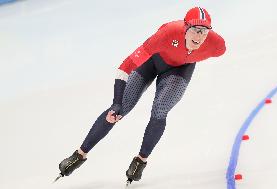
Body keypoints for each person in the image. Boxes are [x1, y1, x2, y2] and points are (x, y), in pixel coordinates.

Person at [57, 6, 226, 184]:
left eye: (204, 31)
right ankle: (79, 155)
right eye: (195, 30)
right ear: (185, 28)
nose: (199, 37)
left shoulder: (217, 46)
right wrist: (116, 102)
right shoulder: (167, 33)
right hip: (153, 61)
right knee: (120, 109)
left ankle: (140, 161)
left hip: (180, 70)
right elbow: (125, 67)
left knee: (160, 109)